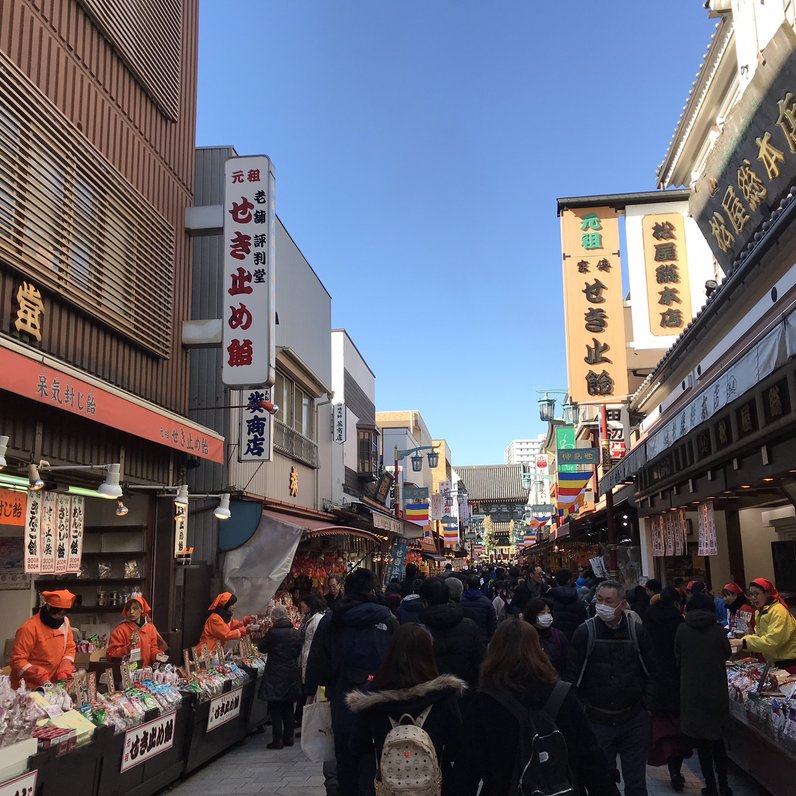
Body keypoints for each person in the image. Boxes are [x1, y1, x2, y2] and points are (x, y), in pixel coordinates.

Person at [453, 620, 620, 795]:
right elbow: (590, 757)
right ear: (537, 649)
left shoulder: (486, 702)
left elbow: (466, 769)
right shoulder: (562, 695)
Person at [305, 568, 398, 795]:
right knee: (376, 757)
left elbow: (318, 662)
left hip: (342, 697)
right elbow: (398, 660)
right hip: (381, 700)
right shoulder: (387, 618)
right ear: (372, 589)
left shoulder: (331, 620)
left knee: (345, 758)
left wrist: (311, 691)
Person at [347, 624, 466, 795]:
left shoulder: (371, 700)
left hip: (389, 788)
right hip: (433, 787)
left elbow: (357, 745)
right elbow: (456, 745)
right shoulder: (443, 697)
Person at [563, 579, 657, 796]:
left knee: (636, 783)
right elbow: (572, 677)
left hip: (633, 718)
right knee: (602, 781)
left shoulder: (637, 633)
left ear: (622, 604)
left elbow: (652, 672)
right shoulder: (585, 632)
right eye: (599, 600)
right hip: (597, 719)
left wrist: (647, 707)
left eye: (608, 601)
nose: (602, 605)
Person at [675, 592, 732, 796]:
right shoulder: (718, 631)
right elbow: (726, 653)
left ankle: (710, 786)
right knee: (718, 743)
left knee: (702, 746)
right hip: (716, 692)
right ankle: (724, 785)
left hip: (692, 693)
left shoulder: (682, 629)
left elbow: (678, 657)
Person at [643, 587, 689, 792]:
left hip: (653, 679)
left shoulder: (647, 620)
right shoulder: (679, 623)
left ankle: (665, 762)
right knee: (676, 728)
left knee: (660, 727)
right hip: (675, 679)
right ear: (676, 603)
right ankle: (675, 770)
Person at [418, 577, 485, 690]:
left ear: (424, 602)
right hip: (465, 691)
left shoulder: (417, 631)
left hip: (430, 695)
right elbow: (480, 660)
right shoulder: (469, 625)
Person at [11, 590, 77, 689]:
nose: (59, 617)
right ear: (48, 607)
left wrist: (64, 671)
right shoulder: (29, 628)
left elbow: (69, 648)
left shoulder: (65, 623)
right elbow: (18, 661)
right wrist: (41, 676)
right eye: (56, 613)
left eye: (62, 614)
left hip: (53, 684)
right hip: (28, 687)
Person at [258, 604, 302, 749]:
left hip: (275, 674)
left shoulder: (273, 633)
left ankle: (277, 739)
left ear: (274, 618)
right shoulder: (295, 633)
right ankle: (288, 737)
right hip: (291, 673)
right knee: (288, 706)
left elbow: (262, 647)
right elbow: (297, 652)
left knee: (275, 707)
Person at [730, 577, 796, 672]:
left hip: (789, 664)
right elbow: (760, 636)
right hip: (774, 663)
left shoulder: (778, 611)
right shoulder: (760, 612)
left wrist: (744, 642)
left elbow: (772, 641)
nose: (753, 598)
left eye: (756, 594)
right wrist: (747, 638)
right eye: (751, 594)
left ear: (767, 593)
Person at [107, 596, 167, 667]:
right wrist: (128, 648)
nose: (131, 612)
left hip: (146, 672)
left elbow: (153, 649)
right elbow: (111, 654)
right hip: (127, 673)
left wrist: (157, 654)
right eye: (128, 609)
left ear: (142, 609)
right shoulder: (119, 630)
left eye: (135, 609)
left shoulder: (151, 628)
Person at [524, 597, 568, 674]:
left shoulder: (558, 635)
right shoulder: (525, 637)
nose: (546, 615)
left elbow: (567, 661)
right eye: (542, 612)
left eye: (548, 612)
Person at [550, 568, 588, 640]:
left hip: (555, 638)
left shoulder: (550, 599)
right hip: (574, 638)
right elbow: (583, 621)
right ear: (569, 581)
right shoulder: (579, 601)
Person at [460, 574, 497, 644]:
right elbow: (493, 623)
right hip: (482, 638)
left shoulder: (460, 601)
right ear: (479, 586)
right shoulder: (487, 602)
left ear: (467, 586)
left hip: (464, 638)